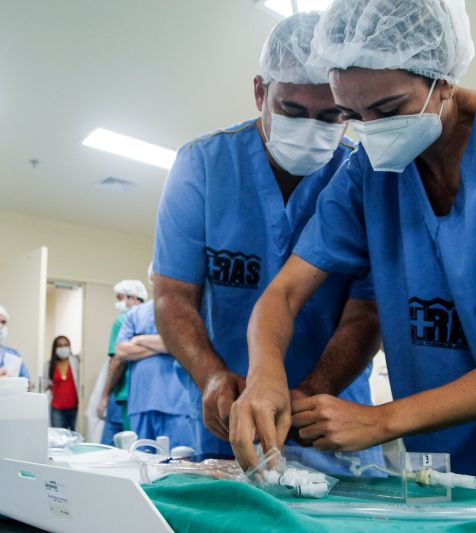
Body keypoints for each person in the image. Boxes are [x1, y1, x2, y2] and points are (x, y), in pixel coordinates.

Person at [230, 0, 476, 498]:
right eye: (354, 115)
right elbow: (283, 294)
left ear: (444, 77)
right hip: (442, 467)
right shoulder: (369, 174)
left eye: (388, 110)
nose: (372, 131)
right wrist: (264, 375)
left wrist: (384, 419)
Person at [153, 11, 381, 469]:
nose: (312, 129)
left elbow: (366, 313)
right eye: (293, 111)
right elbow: (172, 296)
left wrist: (312, 393)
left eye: (332, 115)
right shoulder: (204, 166)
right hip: (227, 412)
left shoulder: (364, 178)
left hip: (328, 414)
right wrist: (213, 376)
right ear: (261, 92)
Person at [115, 274, 193, 447]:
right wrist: (165, 344)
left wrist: (140, 339)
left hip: (176, 402)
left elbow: (183, 344)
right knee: (141, 459)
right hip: (142, 401)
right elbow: (120, 350)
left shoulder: (185, 311)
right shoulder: (135, 314)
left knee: (179, 460)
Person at [97, 280, 147, 444]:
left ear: (133, 298)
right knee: (146, 445)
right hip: (149, 394)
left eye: (120, 298)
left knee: (125, 447)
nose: (117, 303)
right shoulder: (152, 319)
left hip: (126, 392)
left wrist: (104, 396)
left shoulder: (123, 320)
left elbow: (118, 360)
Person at [45, 335, 80, 431]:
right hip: (57, 409)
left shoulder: (76, 362)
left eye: (65, 345)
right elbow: (46, 385)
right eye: (60, 346)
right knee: (58, 439)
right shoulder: (49, 365)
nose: (63, 348)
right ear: (55, 349)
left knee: (75, 439)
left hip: (75, 408)